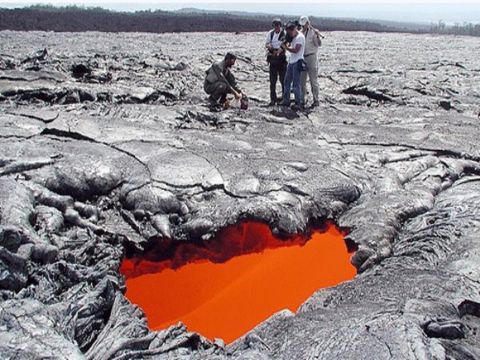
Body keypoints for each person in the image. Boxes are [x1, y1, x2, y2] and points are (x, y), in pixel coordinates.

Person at [280, 21, 305, 111]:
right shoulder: (292, 36)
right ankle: (286, 100)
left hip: (297, 61)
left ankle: (298, 102)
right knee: (286, 82)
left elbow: (296, 50)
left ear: (294, 29)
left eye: (290, 32)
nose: (290, 34)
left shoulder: (300, 37)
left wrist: (286, 47)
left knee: (296, 83)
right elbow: (287, 41)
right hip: (291, 61)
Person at [299, 16, 322, 107]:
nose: (303, 26)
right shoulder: (299, 33)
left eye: (305, 24)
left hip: (311, 57)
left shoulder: (313, 32)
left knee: (313, 80)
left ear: (308, 23)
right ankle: (302, 99)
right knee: (302, 81)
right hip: (302, 58)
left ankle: (316, 99)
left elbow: (318, 44)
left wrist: (317, 36)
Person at [265, 18, 287, 106]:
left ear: (280, 25)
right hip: (273, 58)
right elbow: (266, 44)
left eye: (278, 25)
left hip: (281, 58)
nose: (276, 27)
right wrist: (270, 47)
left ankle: (285, 98)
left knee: (283, 80)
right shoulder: (270, 34)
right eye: (275, 25)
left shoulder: (284, 34)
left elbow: (286, 44)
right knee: (272, 81)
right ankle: (273, 99)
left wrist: (279, 51)